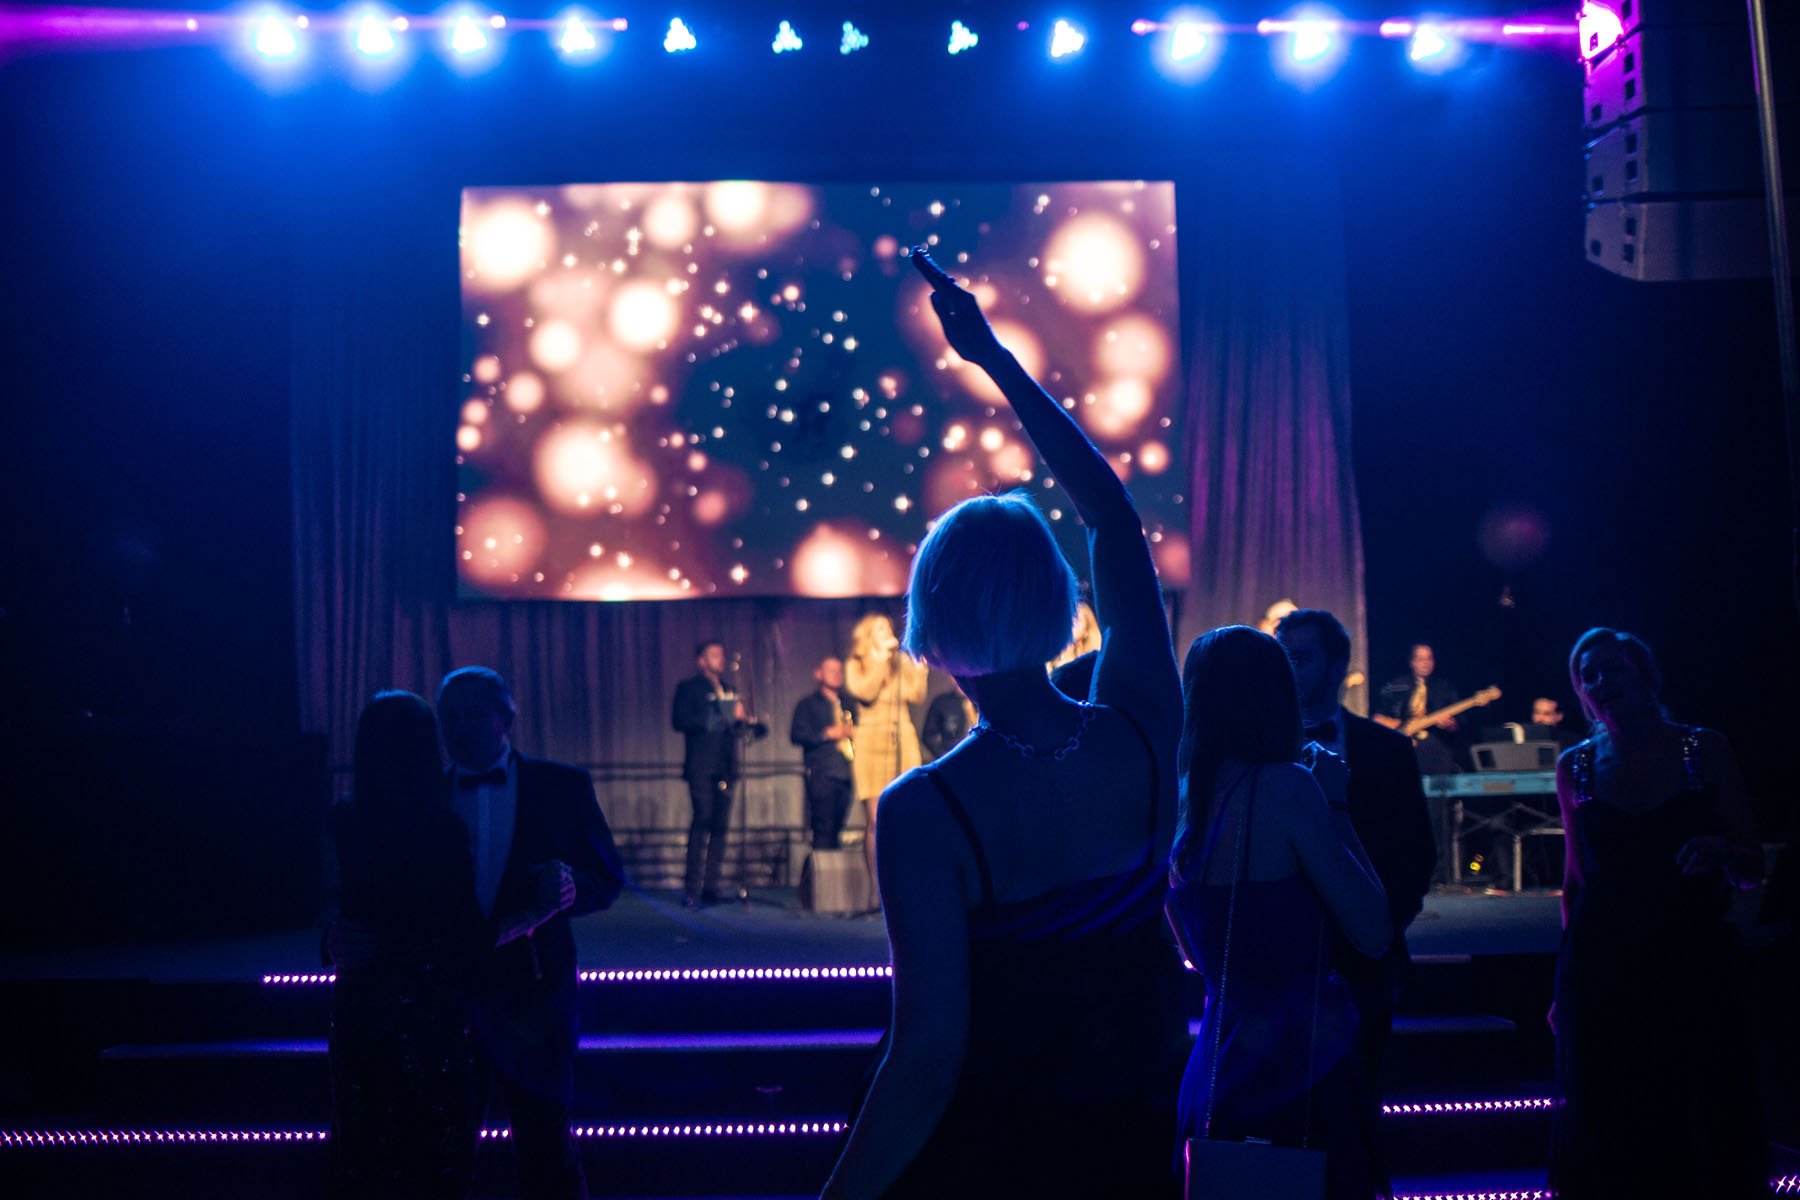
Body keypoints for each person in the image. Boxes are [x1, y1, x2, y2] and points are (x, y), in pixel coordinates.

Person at [822, 250, 1188, 1198]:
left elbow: (926, 1058)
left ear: (933, 626)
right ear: (1061, 602)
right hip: (1141, 1131)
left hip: (995, 1152)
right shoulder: (1146, 724)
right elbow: (1113, 518)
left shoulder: (923, 810)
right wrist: (993, 359)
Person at [1166, 626, 1393, 1200]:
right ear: (1275, 696)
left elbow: (1194, 954)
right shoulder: (1286, 787)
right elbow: (1373, 930)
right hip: (1300, 1055)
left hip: (1219, 1056)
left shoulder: (1181, 798)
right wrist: (1335, 803)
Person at [1549, 628, 1766, 1199]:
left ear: (1646, 676)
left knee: (1701, 1113)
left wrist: (1722, 850)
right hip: (1601, 965)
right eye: (1588, 675)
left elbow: (1752, 867)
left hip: (1690, 957)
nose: (1601, 681)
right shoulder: (1576, 767)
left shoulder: (1704, 749)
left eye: (1613, 668)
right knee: (1614, 1121)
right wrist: (1562, 986)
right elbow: (1575, 881)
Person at [436, 666, 623, 1200]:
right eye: (451, 716)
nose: (461, 727)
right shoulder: (424, 796)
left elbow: (608, 878)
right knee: (444, 1155)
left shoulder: (562, 785)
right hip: (448, 999)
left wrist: (572, 888)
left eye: (474, 714)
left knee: (547, 1154)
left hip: (537, 1001)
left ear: (507, 718)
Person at [1276, 608, 1435, 1127]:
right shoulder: (1257, 754)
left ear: (1338, 665)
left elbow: (1416, 854)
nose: (1287, 670)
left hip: (1367, 964)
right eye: (1282, 658)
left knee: (1360, 1115)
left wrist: (1376, 930)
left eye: (1300, 658)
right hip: (1279, 965)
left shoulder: (1388, 750)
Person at [326, 691, 489, 1199]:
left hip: (367, 1004)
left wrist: (332, 939)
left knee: (369, 1154)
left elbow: (334, 907)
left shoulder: (347, 818)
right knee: (435, 1158)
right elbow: (464, 929)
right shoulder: (444, 829)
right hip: (429, 1006)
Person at [844, 613, 929, 897]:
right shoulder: (855, 664)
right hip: (871, 740)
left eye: (888, 627)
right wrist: (880, 659)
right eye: (880, 628)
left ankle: (906, 884)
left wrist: (920, 668)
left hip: (902, 736)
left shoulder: (899, 663)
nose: (888, 631)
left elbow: (916, 695)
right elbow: (866, 692)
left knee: (906, 811)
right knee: (875, 818)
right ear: (868, 635)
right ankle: (876, 888)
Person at [672, 640, 747, 905]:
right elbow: (679, 720)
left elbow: (735, 729)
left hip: (726, 766)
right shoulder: (689, 688)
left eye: (721, 654)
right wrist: (718, 715)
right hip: (701, 766)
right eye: (714, 655)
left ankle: (711, 886)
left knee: (720, 827)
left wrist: (744, 720)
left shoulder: (729, 689)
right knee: (702, 819)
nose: (720, 659)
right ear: (701, 660)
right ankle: (691, 887)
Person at [790, 656, 858, 850]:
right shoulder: (807, 704)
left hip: (845, 771)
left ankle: (832, 864)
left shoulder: (849, 703)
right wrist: (826, 734)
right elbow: (796, 735)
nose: (836, 674)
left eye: (839, 670)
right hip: (821, 773)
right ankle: (822, 867)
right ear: (818, 674)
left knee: (838, 825)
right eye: (831, 670)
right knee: (823, 826)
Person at [1375, 643, 1462, 774]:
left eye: (1429, 659)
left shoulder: (1446, 689)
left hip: (1436, 754)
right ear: (1412, 662)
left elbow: (1459, 726)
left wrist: (1450, 725)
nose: (1425, 663)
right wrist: (1402, 730)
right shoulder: (1396, 686)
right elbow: (1378, 719)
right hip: (1404, 752)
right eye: (1420, 659)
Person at [920, 688, 976, 761]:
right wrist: (946, 757)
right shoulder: (941, 702)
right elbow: (929, 736)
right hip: (952, 758)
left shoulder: (981, 702)